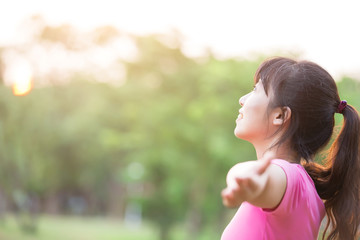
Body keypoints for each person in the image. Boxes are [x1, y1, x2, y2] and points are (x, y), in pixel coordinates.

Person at [221, 57, 360, 240]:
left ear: (280, 115)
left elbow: (269, 179)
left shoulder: (288, 178)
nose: (242, 100)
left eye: (256, 90)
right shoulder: (303, 186)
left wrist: (245, 177)